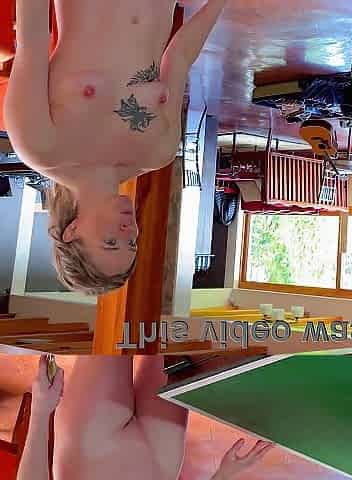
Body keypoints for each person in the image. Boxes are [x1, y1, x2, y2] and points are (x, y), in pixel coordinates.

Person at [3, 0, 227, 294]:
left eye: (110, 242)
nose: (128, 230)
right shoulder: (157, 151)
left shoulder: (39, 146)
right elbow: (180, 57)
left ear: (72, 231)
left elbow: (32, 39)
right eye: (132, 243)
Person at [18, 354, 274, 480]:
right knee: (167, 320)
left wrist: (40, 411)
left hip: (88, 456)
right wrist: (222, 476)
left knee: (116, 313)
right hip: (158, 462)